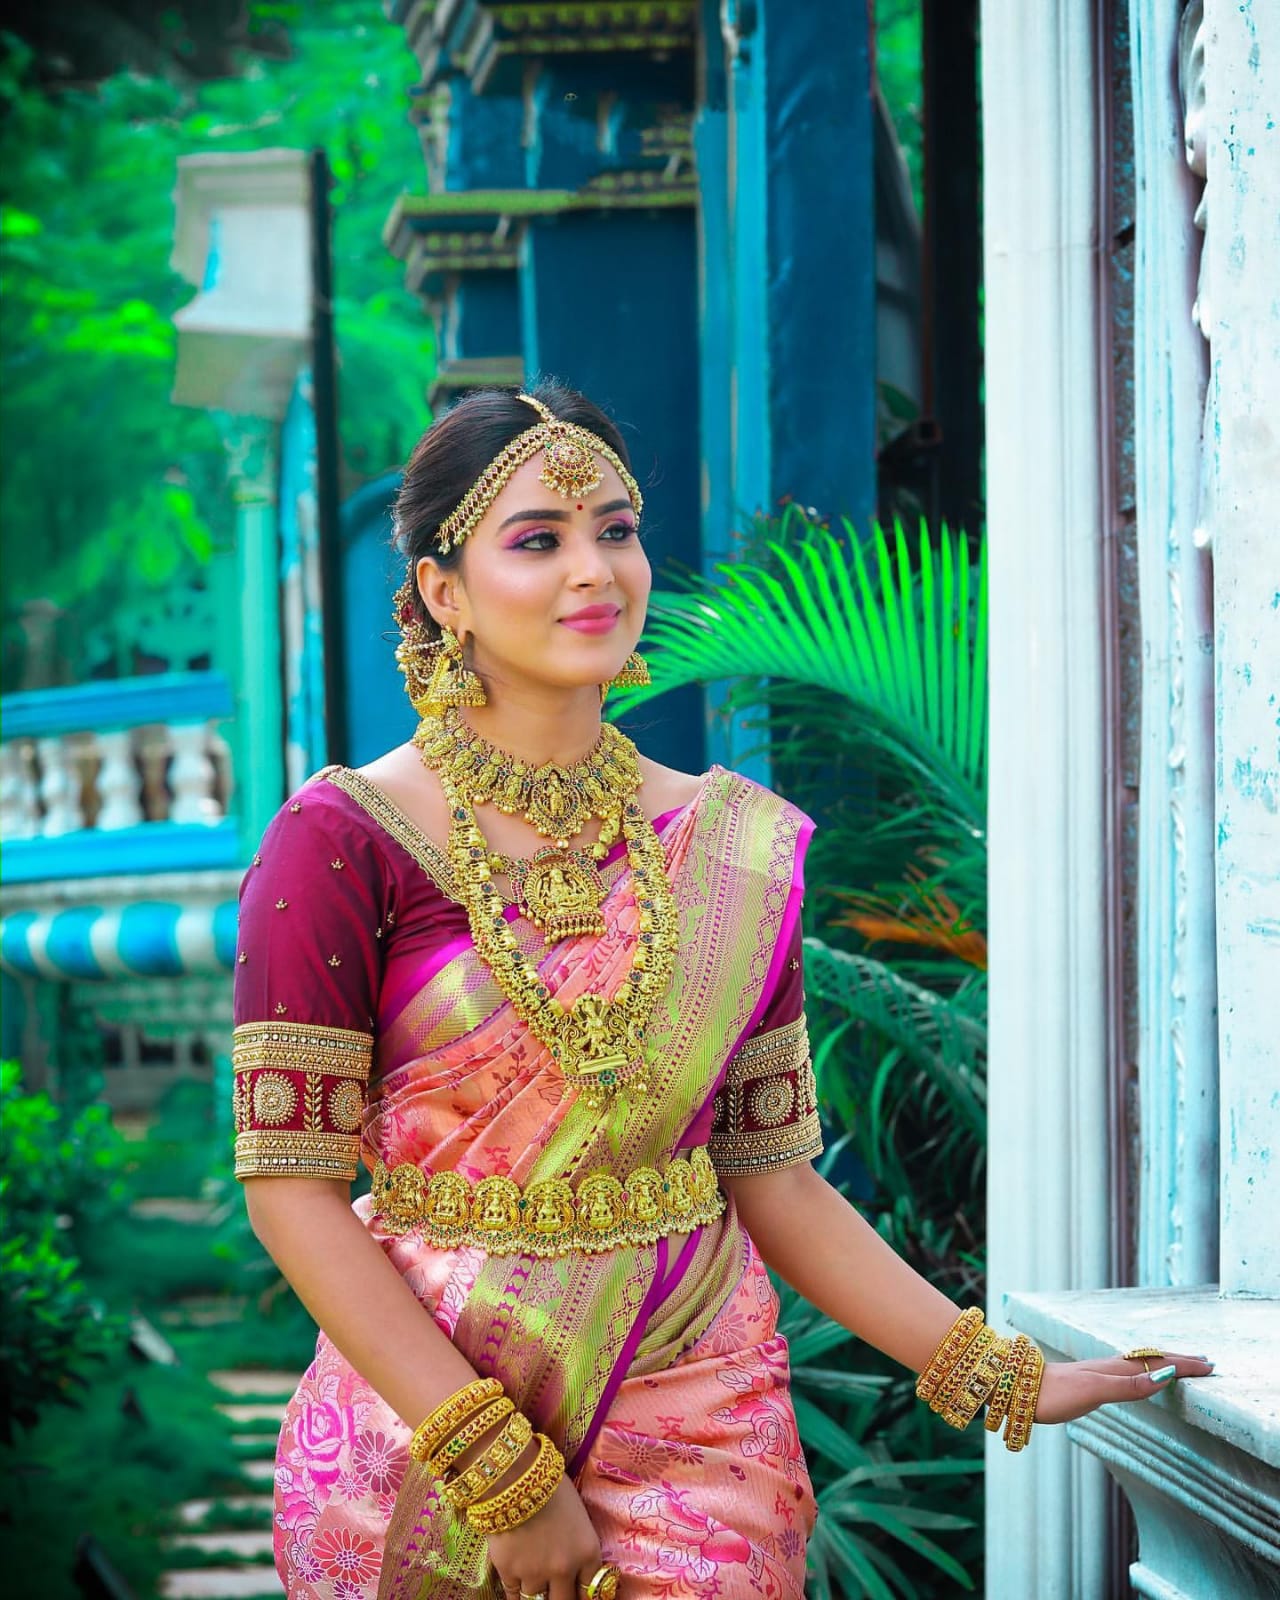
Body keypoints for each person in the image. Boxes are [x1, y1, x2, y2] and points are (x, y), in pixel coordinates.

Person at [233, 384, 1213, 1600]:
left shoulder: (731, 848)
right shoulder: (343, 838)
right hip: (423, 1422)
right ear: (444, 592)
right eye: (537, 538)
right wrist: (499, 1470)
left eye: (618, 527)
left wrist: (987, 1370)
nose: (594, 569)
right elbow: (290, 1187)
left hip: (697, 1406)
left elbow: (771, 1172)